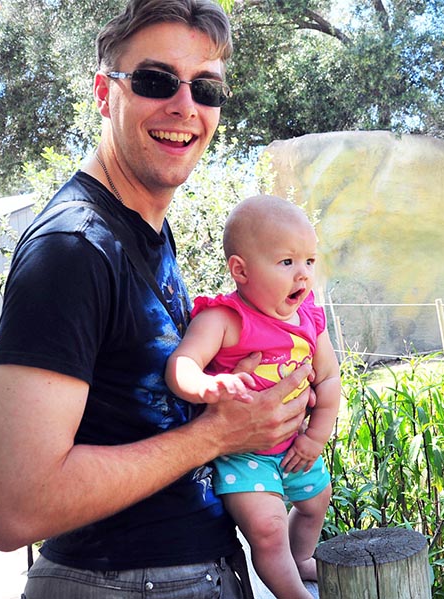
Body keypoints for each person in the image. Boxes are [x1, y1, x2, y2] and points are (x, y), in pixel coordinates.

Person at [0, 1, 312, 597]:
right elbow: (14, 507)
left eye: (206, 88)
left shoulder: (146, 230)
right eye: (156, 80)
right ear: (105, 94)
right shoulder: (73, 249)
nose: (185, 106)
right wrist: (218, 435)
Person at [166, 194, 340, 598]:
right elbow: (182, 364)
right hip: (242, 455)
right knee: (267, 528)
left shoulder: (309, 319)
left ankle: (301, 557)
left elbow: (330, 378)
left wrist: (316, 437)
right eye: (287, 262)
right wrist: (205, 386)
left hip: (295, 445)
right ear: (240, 270)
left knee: (317, 502)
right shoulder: (224, 318)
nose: (303, 274)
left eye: (309, 261)